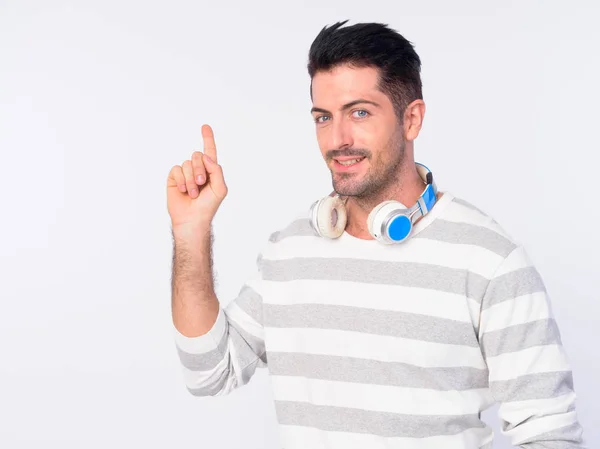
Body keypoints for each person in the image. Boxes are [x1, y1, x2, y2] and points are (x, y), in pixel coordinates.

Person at [166, 20, 586, 449]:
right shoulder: (288, 252)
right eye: (323, 117)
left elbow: (548, 434)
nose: (338, 139)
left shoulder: (490, 261)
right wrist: (191, 233)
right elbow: (209, 374)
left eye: (360, 112)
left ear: (412, 119)